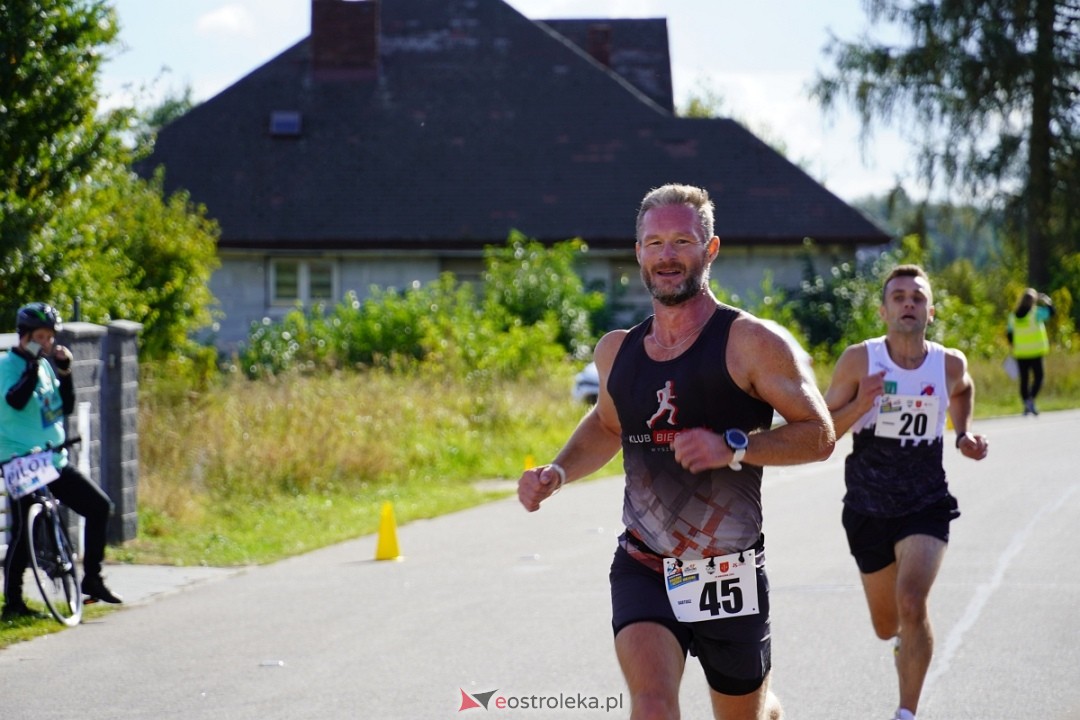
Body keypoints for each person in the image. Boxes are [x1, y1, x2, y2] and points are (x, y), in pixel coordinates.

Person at [518, 184, 836, 720]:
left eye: (682, 241)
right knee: (652, 706)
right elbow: (606, 425)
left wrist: (735, 447)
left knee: (744, 715)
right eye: (655, 242)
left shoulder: (750, 342)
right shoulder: (616, 351)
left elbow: (819, 434)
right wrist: (558, 470)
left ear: (710, 250)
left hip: (726, 572)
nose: (668, 255)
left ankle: (767, 708)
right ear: (638, 251)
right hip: (644, 564)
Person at [823, 265, 989, 720]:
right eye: (898, 296)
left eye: (917, 297)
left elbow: (965, 388)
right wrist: (861, 403)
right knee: (887, 625)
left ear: (930, 312)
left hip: (925, 502)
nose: (908, 303)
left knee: (912, 602)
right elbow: (822, 432)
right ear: (883, 310)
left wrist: (962, 434)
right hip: (867, 505)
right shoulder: (860, 360)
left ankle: (906, 712)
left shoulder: (948, 363)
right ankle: (903, 642)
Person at [2, 302, 122, 621]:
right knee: (21, 534)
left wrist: (65, 372)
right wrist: (30, 365)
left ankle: (92, 580)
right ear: (24, 337)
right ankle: (13, 600)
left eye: (49, 337)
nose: (46, 343)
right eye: (39, 337)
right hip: (21, 462)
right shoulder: (7, 368)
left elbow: (64, 406)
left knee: (99, 507)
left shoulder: (44, 367)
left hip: (52, 457)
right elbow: (15, 400)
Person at [1007, 287, 1054, 416]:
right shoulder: (1036, 313)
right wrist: (1047, 300)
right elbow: (1052, 312)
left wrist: (1014, 345)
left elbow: (1009, 334)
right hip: (1036, 351)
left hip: (1021, 352)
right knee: (1039, 377)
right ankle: (1031, 399)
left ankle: (1026, 402)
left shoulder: (1013, 316)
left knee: (1024, 380)